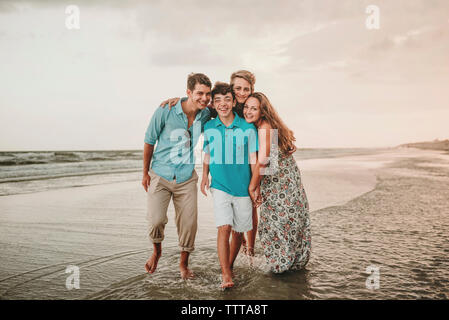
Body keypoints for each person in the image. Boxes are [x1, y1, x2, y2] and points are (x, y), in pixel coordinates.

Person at [142, 73, 212, 279]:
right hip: (160, 175)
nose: (204, 98)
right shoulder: (166, 110)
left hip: (186, 177)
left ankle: (183, 264)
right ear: (188, 92)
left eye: (207, 94)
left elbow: (226, 104)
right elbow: (149, 140)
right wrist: (145, 173)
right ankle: (157, 251)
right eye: (199, 93)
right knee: (156, 220)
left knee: (189, 224)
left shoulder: (206, 113)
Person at [244, 92, 311, 273]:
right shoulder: (265, 125)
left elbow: (264, 159)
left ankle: (281, 266)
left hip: (282, 183)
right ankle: (290, 263)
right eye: (246, 107)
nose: (248, 112)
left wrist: (253, 186)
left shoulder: (265, 127)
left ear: (262, 111)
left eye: (254, 108)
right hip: (283, 180)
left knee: (276, 222)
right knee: (286, 221)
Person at [200, 82, 258, 288]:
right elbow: (207, 152)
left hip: (242, 187)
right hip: (220, 186)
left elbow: (254, 160)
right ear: (213, 105)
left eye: (227, 100)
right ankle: (226, 275)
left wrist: (254, 185)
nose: (222, 104)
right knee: (223, 226)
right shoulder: (209, 126)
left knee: (238, 231)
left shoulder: (248, 127)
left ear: (234, 102)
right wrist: (204, 175)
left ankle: (229, 266)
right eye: (217, 101)